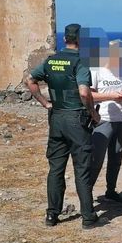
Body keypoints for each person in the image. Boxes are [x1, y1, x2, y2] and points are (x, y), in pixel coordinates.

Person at [26, 23, 102, 229]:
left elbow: (30, 80)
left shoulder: (51, 61)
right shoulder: (80, 63)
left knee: (56, 169)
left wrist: (45, 103)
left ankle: (52, 215)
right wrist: (93, 114)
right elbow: (85, 93)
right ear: (80, 41)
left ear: (65, 39)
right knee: (82, 169)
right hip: (77, 120)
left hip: (57, 119)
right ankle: (88, 217)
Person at [89, 40, 122, 204]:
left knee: (116, 158)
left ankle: (111, 191)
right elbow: (89, 95)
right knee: (96, 160)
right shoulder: (96, 70)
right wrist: (112, 96)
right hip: (103, 119)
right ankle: (87, 193)